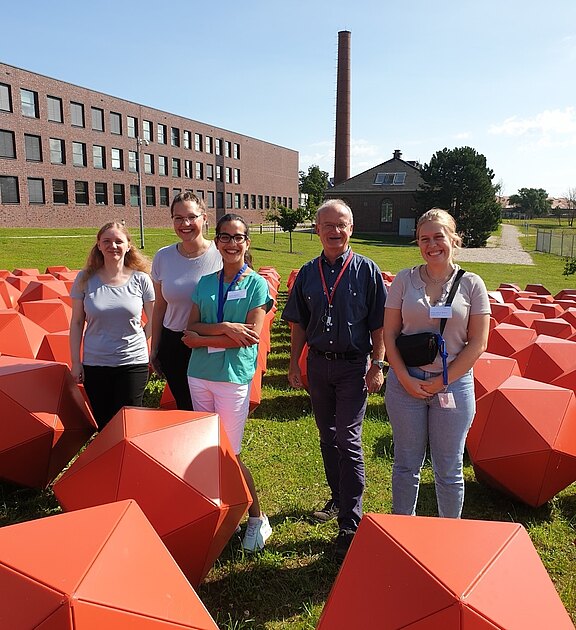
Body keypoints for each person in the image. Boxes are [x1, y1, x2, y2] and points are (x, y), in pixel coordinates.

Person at [282, 199, 387, 559]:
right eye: (327, 225)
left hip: (353, 366)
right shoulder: (308, 273)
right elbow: (297, 322)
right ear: (316, 230)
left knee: (349, 438)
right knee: (327, 437)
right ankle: (337, 497)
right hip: (319, 365)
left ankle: (350, 521)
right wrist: (295, 363)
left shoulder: (367, 271)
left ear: (351, 229)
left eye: (341, 224)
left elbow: (379, 325)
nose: (334, 231)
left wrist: (378, 364)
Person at [384, 208, 490, 518]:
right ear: (417, 242)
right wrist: (403, 377)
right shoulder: (404, 279)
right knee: (406, 464)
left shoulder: (472, 284)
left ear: (454, 239)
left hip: (453, 384)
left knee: (449, 468)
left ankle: (448, 533)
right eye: (424, 238)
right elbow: (389, 335)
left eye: (438, 237)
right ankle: (403, 530)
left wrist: (442, 381)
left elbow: (478, 343)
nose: (432, 245)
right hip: (406, 383)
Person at [182, 213, 274, 552]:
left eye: (238, 237)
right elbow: (188, 331)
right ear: (217, 242)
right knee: (206, 450)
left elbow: (251, 336)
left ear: (246, 243)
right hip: (199, 375)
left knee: (229, 454)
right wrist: (227, 328)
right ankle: (221, 512)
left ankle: (257, 519)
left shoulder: (256, 284)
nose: (231, 243)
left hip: (232, 377)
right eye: (225, 237)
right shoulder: (206, 283)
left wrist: (210, 332)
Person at [70, 222, 155, 430]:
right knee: (105, 425)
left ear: (128, 246)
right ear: (98, 245)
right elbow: (77, 322)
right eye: (106, 241)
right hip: (96, 363)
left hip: (133, 363)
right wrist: (76, 362)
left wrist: (138, 341)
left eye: (119, 241)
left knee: (129, 424)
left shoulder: (141, 280)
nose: (113, 246)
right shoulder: (84, 279)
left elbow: (155, 319)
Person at [150, 192, 222, 409]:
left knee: (211, 406)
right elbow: (160, 306)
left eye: (192, 216)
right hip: (173, 344)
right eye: (178, 218)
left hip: (210, 342)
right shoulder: (163, 256)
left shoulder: (221, 254)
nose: (185, 223)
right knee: (185, 405)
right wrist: (155, 348)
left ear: (205, 218)